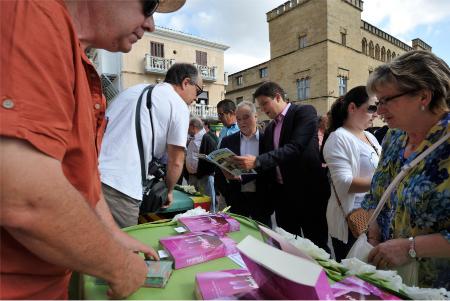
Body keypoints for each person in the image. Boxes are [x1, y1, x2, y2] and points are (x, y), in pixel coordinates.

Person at [0, 0, 186, 299]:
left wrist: (114, 237)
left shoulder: (76, 61)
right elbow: (23, 197)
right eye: (149, 5)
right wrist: (119, 265)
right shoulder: (33, 14)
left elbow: (84, 179)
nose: (151, 24)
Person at [362, 50, 450, 289]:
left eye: (386, 100)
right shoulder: (395, 135)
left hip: (436, 286)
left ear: (423, 96)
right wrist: (372, 236)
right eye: (377, 102)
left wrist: (410, 247)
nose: (379, 111)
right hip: (390, 278)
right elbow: (375, 196)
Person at [99, 63, 202, 228]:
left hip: (89, 174)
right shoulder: (178, 105)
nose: (197, 98)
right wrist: (168, 191)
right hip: (121, 189)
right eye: (198, 91)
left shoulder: (130, 92)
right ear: (186, 82)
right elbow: (176, 161)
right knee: (121, 249)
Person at [232, 81, 330, 251]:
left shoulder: (304, 112)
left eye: (264, 104)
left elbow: (295, 147)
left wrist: (256, 161)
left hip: (308, 194)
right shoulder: (270, 128)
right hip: (283, 197)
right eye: (260, 106)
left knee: (316, 247)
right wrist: (240, 173)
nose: (263, 110)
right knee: (289, 246)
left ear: (277, 97)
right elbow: (269, 165)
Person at [322, 86, 381, 261]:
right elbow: (344, 183)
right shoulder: (338, 138)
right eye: (371, 108)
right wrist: (384, 181)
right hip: (352, 220)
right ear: (352, 107)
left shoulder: (370, 137)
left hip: (375, 218)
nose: (376, 114)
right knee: (353, 276)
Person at [218, 101, 272, 225]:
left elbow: (272, 166)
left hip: (262, 199)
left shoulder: (267, 140)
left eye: (246, 117)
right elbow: (219, 169)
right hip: (236, 198)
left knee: (263, 236)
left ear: (256, 116)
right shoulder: (227, 141)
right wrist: (226, 189)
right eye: (238, 119)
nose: (242, 122)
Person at [186, 117, 217, 207]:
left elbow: (213, 159)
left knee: (207, 204)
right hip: (192, 177)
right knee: (195, 204)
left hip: (204, 178)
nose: (187, 129)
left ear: (193, 127)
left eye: (188, 127)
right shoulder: (193, 138)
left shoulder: (207, 138)